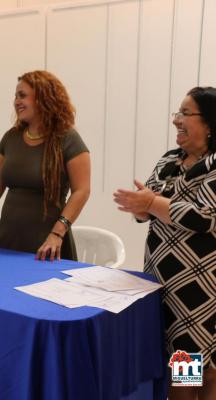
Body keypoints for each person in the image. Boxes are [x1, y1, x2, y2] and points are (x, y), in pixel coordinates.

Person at [114, 86, 216, 400]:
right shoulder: (170, 159)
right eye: (177, 113)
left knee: (189, 369)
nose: (176, 121)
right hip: (160, 282)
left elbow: (202, 217)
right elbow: (148, 211)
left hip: (197, 293)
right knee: (191, 364)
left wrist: (152, 202)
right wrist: (142, 207)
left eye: (186, 113)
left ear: (210, 123)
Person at [0, 70, 90, 261]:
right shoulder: (11, 137)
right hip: (8, 236)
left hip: (47, 240)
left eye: (23, 95)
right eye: (16, 96)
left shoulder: (68, 139)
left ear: (44, 98)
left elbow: (81, 191)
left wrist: (58, 233)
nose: (16, 101)